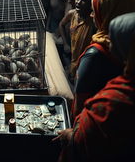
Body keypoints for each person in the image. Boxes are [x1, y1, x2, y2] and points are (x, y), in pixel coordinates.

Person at [53, 12, 135, 162]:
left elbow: (85, 140)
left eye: (113, 39)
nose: (108, 42)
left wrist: (70, 135)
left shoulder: (114, 102)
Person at [71, 0, 135, 120]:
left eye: (96, 11)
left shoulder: (95, 55)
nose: (93, 15)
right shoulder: (129, 42)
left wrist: (75, 131)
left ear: (109, 12)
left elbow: (80, 101)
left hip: (96, 122)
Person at [66, 0, 95, 81]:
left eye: (83, 0)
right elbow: (61, 24)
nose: (78, 2)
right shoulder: (72, 14)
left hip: (85, 61)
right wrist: (66, 44)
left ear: (90, 4)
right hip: (73, 57)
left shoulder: (93, 21)